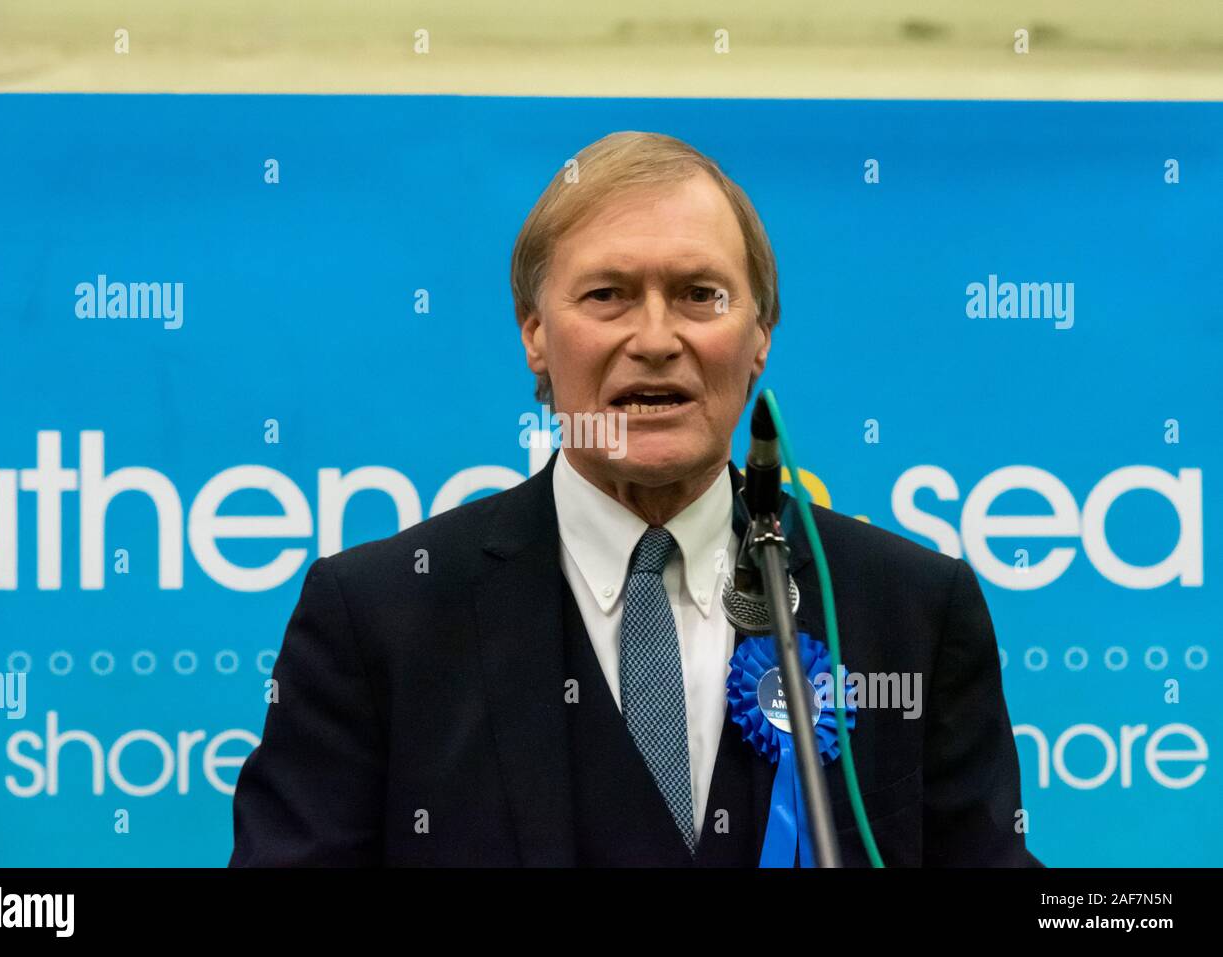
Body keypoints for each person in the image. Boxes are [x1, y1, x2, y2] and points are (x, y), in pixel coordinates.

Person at [229, 130, 1040, 867]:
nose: (655, 340)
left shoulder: (911, 609)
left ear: (760, 335)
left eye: (699, 294)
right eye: (607, 295)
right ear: (535, 336)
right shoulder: (379, 618)